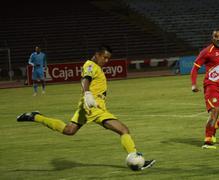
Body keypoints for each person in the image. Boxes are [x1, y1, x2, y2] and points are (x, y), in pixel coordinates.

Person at [17, 46, 156, 170]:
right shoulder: (90, 65)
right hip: (94, 107)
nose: (106, 61)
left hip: (86, 106)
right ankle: (136, 159)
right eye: (105, 57)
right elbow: (86, 79)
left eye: (109, 59)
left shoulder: (96, 67)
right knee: (123, 130)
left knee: (69, 130)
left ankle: (35, 116)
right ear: (97, 54)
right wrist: (88, 94)